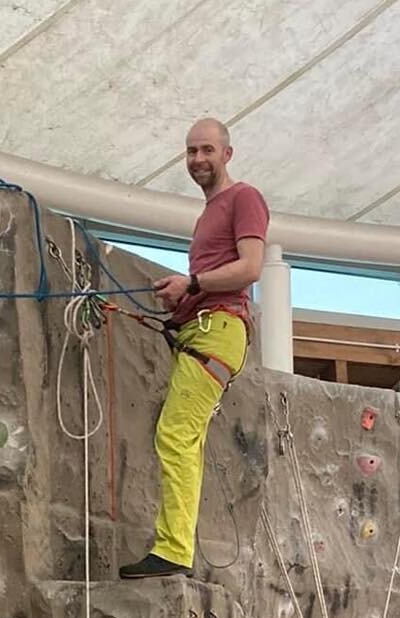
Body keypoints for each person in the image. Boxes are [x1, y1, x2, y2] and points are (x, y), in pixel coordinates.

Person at [120, 117, 269, 581]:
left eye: (207, 150)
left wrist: (194, 283)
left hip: (219, 330)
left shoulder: (243, 198)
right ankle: (175, 546)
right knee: (185, 439)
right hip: (205, 327)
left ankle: (173, 550)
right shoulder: (209, 214)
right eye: (191, 152)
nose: (198, 159)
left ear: (227, 153)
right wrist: (184, 299)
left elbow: (250, 268)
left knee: (175, 435)